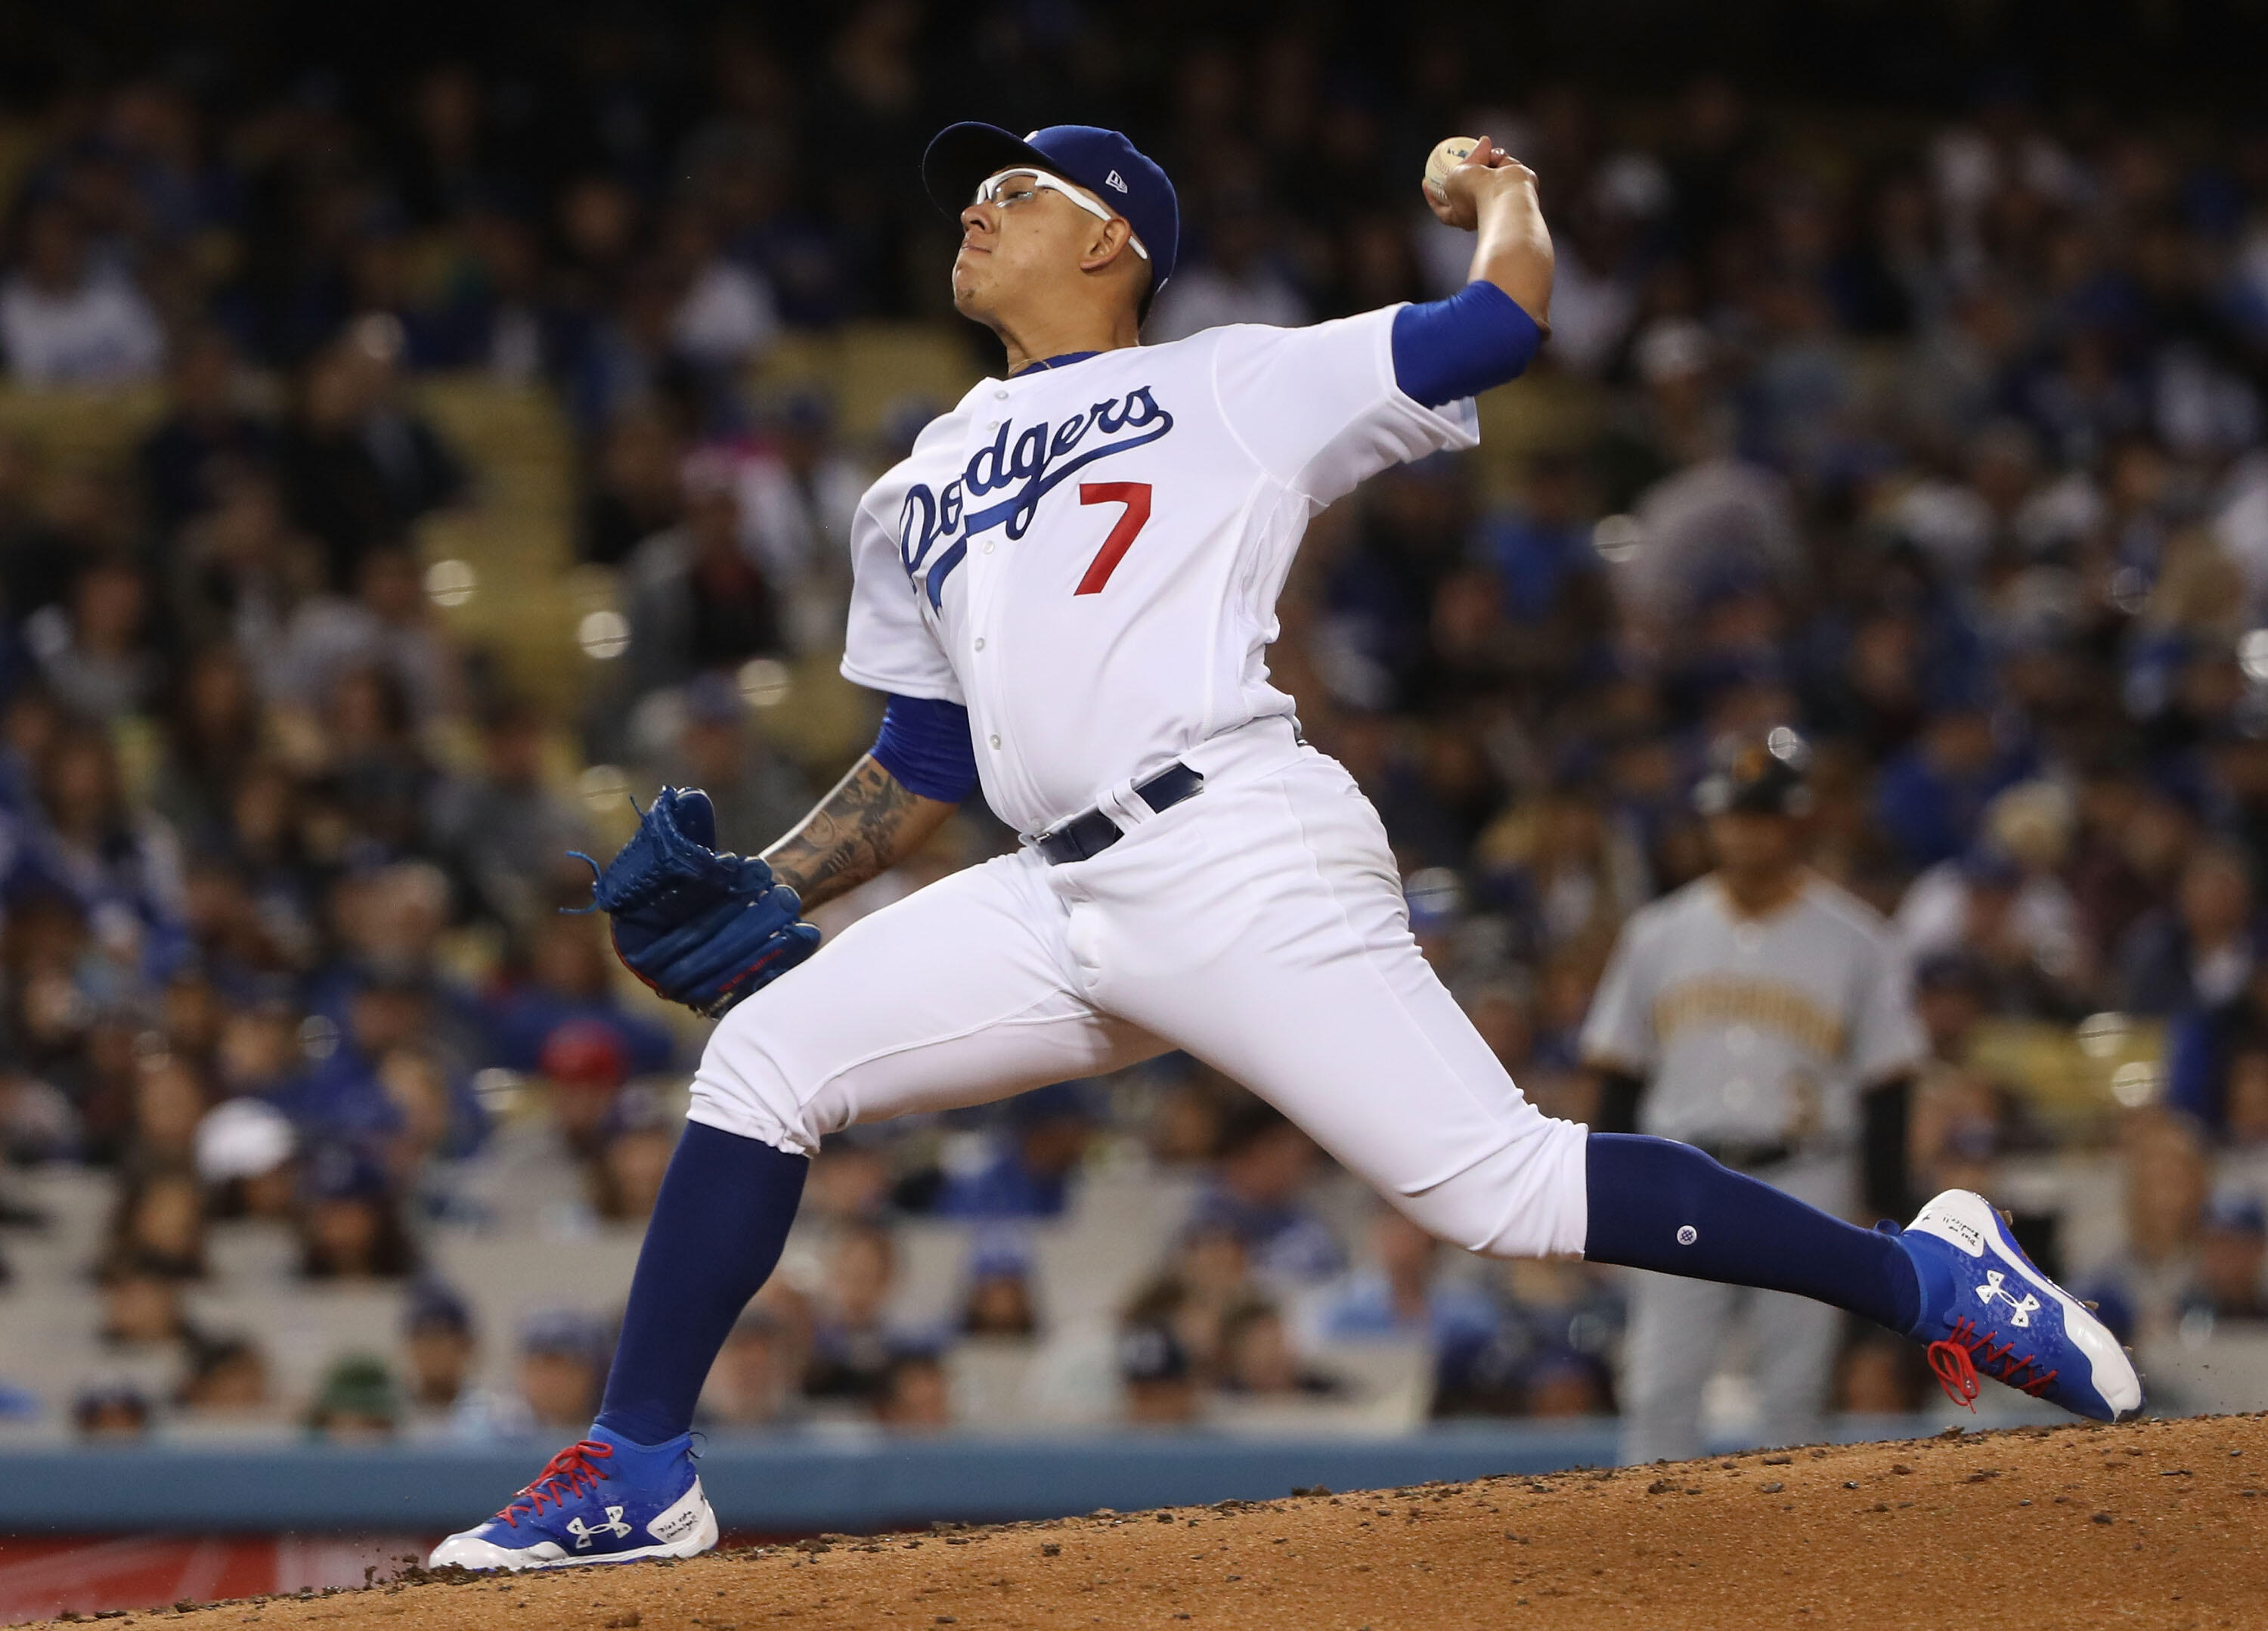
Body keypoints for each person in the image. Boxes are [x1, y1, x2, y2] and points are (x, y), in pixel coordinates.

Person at [432, 120, 2140, 1573]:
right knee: (762, 1057)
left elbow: (1492, 332)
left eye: (1013, 191)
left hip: (1231, 843)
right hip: (1052, 889)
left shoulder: (1228, 382)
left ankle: (1925, 1272)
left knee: (1505, 1187)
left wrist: (1506, 196)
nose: (976, 208)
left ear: (1109, 237)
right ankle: (639, 1469)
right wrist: (774, 884)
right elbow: (926, 754)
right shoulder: (916, 479)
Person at [1584, 730, 1928, 1463]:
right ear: (1712, 822)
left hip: (1807, 1175)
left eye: (1763, 816)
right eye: (1734, 816)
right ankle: (1649, 1561)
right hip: (1680, 1179)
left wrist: (1883, 1200)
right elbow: (1620, 1075)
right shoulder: (1658, 934)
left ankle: (1791, 1571)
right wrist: (1606, 1197)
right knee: (1658, 1389)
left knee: (1796, 1394)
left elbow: (1889, 1084)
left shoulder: (1860, 942)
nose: (1746, 833)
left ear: (1797, 821)